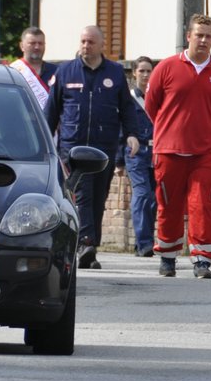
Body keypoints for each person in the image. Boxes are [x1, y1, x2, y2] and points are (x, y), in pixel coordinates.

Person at [46, 25, 148, 269]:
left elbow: (126, 108)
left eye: (90, 42)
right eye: (82, 41)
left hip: (104, 148)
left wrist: (132, 135)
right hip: (73, 149)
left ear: (101, 45)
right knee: (82, 195)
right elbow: (51, 110)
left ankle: (90, 247)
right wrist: (43, 140)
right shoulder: (66, 71)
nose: (85, 46)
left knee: (98, 197)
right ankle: (85, 243)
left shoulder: (114, 72)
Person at [144, 14, 211, 279]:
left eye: (209, 36)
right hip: (169, 149)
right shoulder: (166, 67)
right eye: (199, 35)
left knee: (203, 204)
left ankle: (202, 260)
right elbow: (152, 105)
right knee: (169, 204)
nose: (204, 40)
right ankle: (168, 256)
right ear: (188, 36)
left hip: (206, 151)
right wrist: (169, 129)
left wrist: (206, 131)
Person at [124, 56, 157, 257]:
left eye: (149, 71)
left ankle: (145, 242)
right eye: (142, 71)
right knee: (142, 194)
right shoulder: (128, 99)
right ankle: (144, 243)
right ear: (134, 73)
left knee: (154, 198)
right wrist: (119, 161)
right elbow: (122, 127)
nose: (145, 75)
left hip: (155, 151)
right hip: (135, 152)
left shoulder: (157, 97)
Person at [10, 26, 57, 107]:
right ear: (22, 46)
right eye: (32, 43)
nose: (37, 47)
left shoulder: (56, 71)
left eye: (40, 43)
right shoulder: (12, 71)